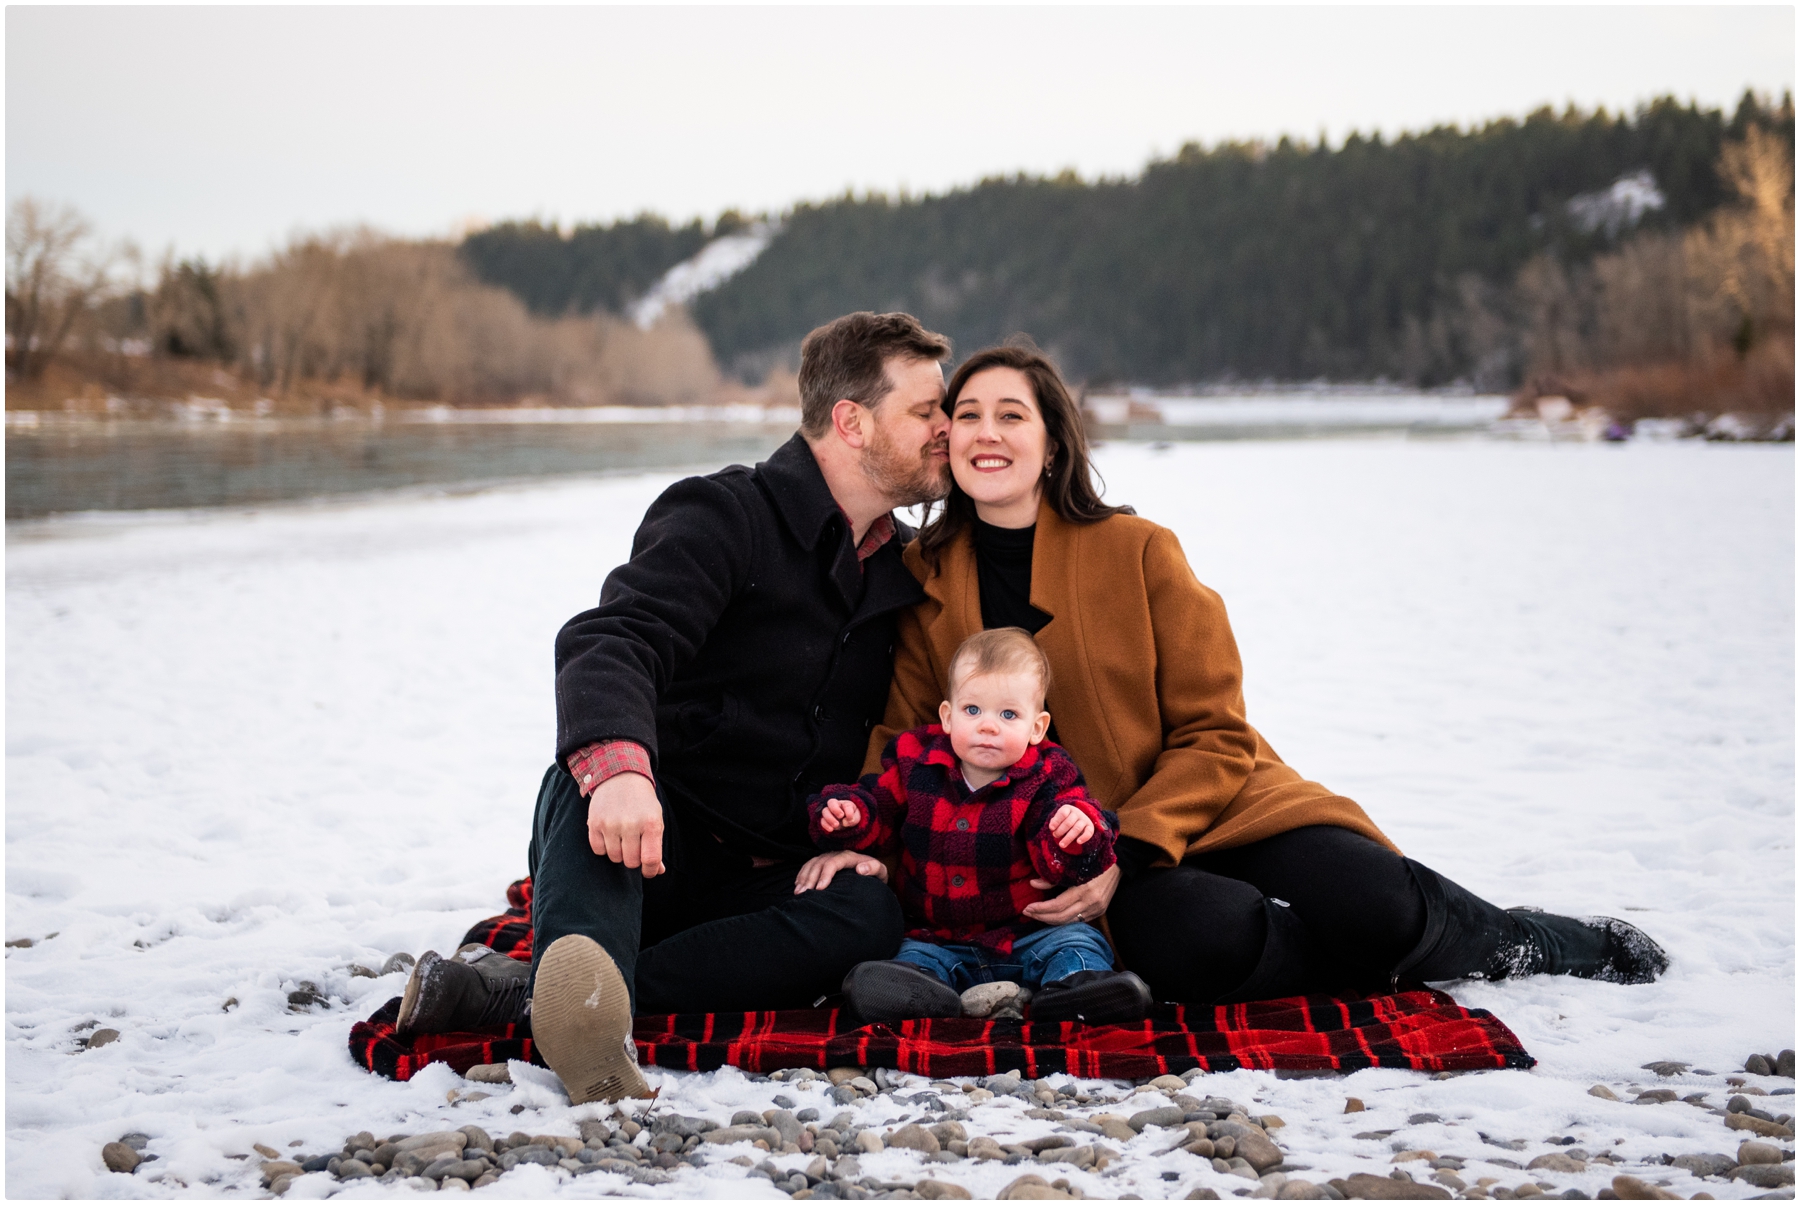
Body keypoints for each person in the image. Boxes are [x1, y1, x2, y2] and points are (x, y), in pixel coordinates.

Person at [835, 339, 1669, 1007]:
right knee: (1206, 934)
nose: (986, 432)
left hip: (1211, 802)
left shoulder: (1140, 550)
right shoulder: (928, 576)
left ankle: (1531, 939)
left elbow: (1214, 728)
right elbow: (907, 737)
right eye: (968, 414)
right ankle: (1357, 974)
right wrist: (862, 838)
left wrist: (1129, 839)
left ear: (1053, 440)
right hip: (1062, 859)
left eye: (1011, 413)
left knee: (1372, 897)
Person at [395, 311, 958, 1104]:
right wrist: (622, 768)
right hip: (648, 838)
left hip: (764, 880)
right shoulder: (724, 514)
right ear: (852, 421)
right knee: (582, 781)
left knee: (867, 910)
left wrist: (864, 838)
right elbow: (613, 637)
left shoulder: (900, 572)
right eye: (927, 410)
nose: (946, 427)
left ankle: (559, 999)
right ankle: (579, 993)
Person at [807, 627, 1152, 1026]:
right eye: (973, 711)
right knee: (908, 958)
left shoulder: (1048, 774)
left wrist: (1077, 833)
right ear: (948, 717)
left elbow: (1062, 857)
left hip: (1028, 932)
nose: (988, 726)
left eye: (1008, 715)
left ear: (1037, 728)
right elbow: (878, 810)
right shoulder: (914, 760)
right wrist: (848, 815)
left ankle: (1077, 993)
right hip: (935, 935)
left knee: (1075, 944)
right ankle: (920, 997)